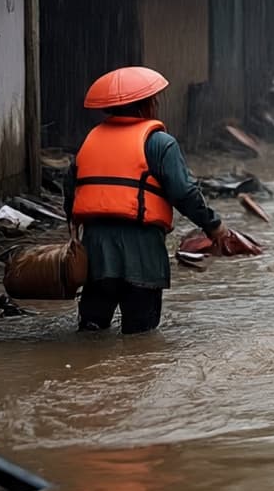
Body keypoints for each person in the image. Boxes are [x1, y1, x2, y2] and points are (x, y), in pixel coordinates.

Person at [65, 65, 231, 334]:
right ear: (146, 106)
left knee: (91, 332)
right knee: (140, 339)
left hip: (96, 253)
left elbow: (70, 190)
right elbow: (184, 193)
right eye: (153, 100)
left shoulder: (90, 141)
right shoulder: (159, 143)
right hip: (141, 254)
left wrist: (73, 231)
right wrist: (214, 226)